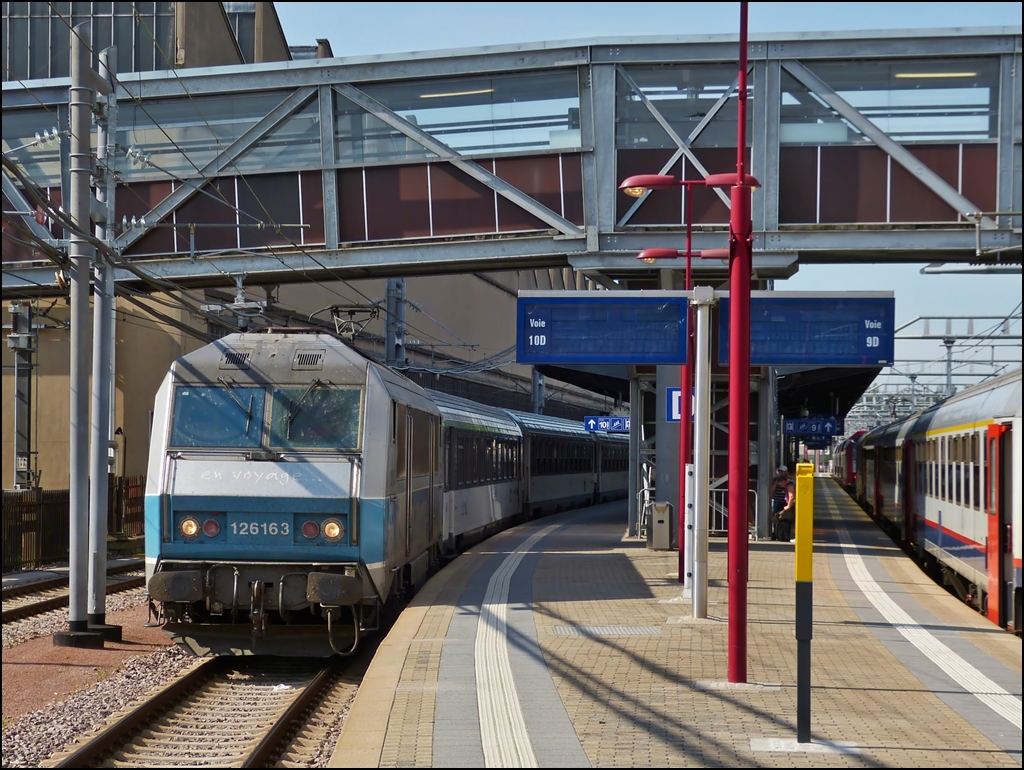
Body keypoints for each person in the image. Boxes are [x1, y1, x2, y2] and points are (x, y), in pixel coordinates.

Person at [769, 465, 789, 539]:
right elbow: (771, 490)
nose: (781, 473)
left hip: (785, 501)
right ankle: (774, 533)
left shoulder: (789, 480)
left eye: (782, 471)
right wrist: (776, 481)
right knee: (775, 517)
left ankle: (782, 533)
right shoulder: (775, 480)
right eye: (780, 471)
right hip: (776, 500)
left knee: (784, 517)